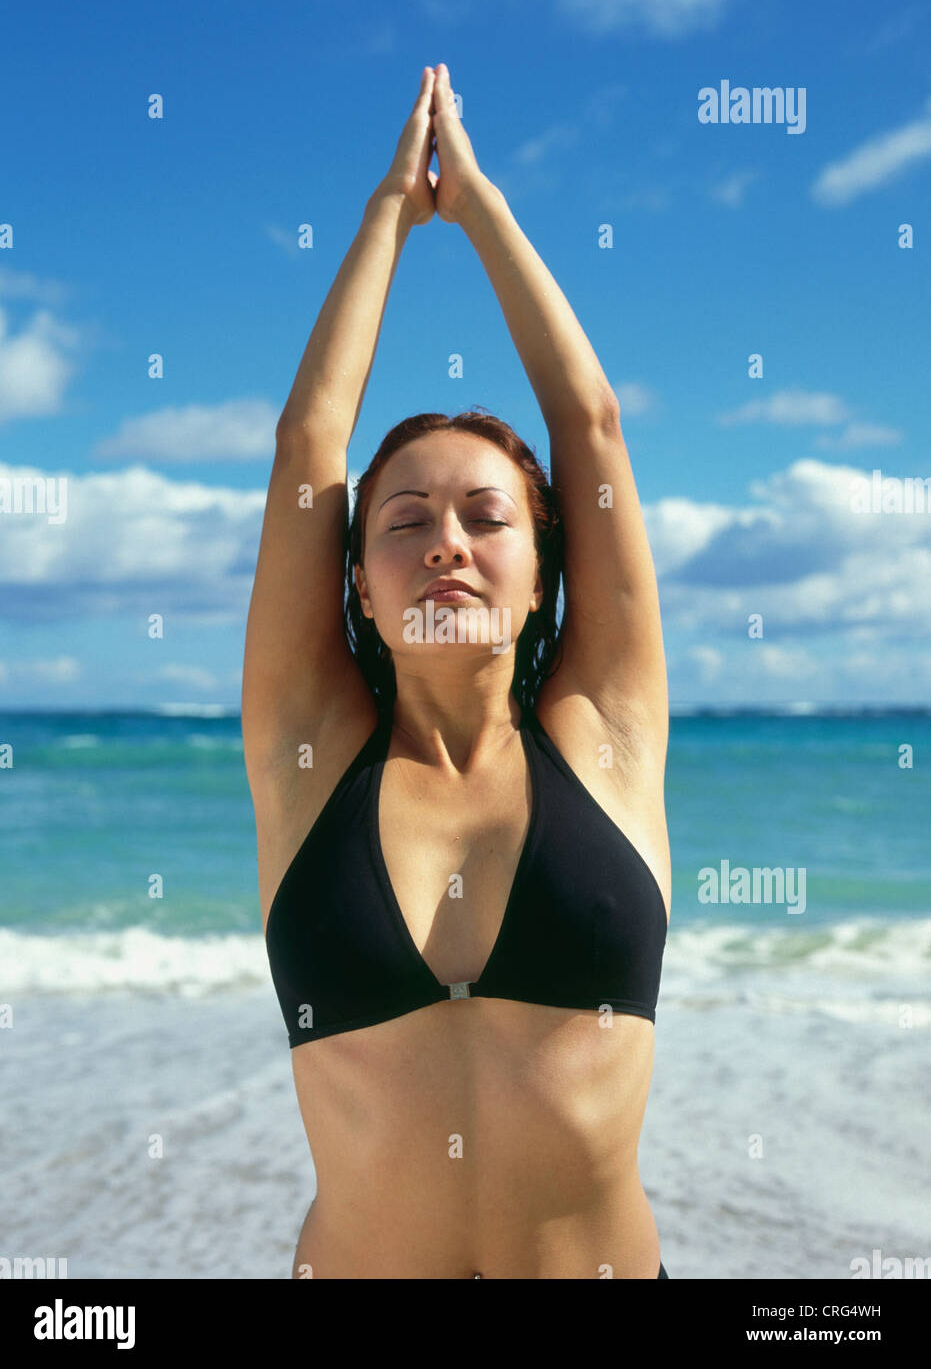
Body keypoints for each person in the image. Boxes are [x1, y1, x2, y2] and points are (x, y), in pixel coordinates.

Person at [242, 64, 672, 1280]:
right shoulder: (306, 755)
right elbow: (307, 448)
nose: (444, 541)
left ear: (544, 567)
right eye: (403, 520)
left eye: (486, 518)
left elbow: (588, 422)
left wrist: (474, 206)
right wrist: (387, 208)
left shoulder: (606, 736)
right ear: (358, 583)